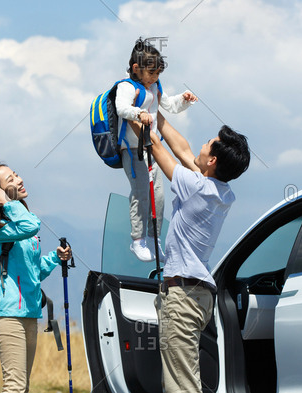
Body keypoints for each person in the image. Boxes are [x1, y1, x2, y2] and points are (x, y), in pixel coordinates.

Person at [138, 113, 250, 392]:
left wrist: (129, 111)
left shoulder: (197, 186)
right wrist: (158, 115)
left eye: (208, 142)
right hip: (199, 296)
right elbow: (183, 150)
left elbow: (157, 147)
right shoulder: (221, 192)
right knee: (183, 378)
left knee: (182, 386)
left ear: (212, 161)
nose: (202, 144)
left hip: (183, 296)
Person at [0, 162, 72, 393]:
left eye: (16, 174)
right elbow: (32, 225)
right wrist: (9, 204)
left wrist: (56, 258)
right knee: (15, 387)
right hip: (9, 315)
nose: (19, 180)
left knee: (23, 387)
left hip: (29, 313)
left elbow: (33, 272)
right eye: (11, 180)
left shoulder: (18, 226)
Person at [115, 37, 198, 262]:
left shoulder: (154, 86)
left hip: (150, 148)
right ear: (136, 69)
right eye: (151, 73)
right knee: (141, 192)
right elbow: (121, 108)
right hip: (132, 149)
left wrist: (185, 99)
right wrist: (137, 113)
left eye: (158, 74)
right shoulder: (126, 86)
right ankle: (137, 240)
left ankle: (154, 238)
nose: (154, 78)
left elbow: (169, 105)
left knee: (158, 195)